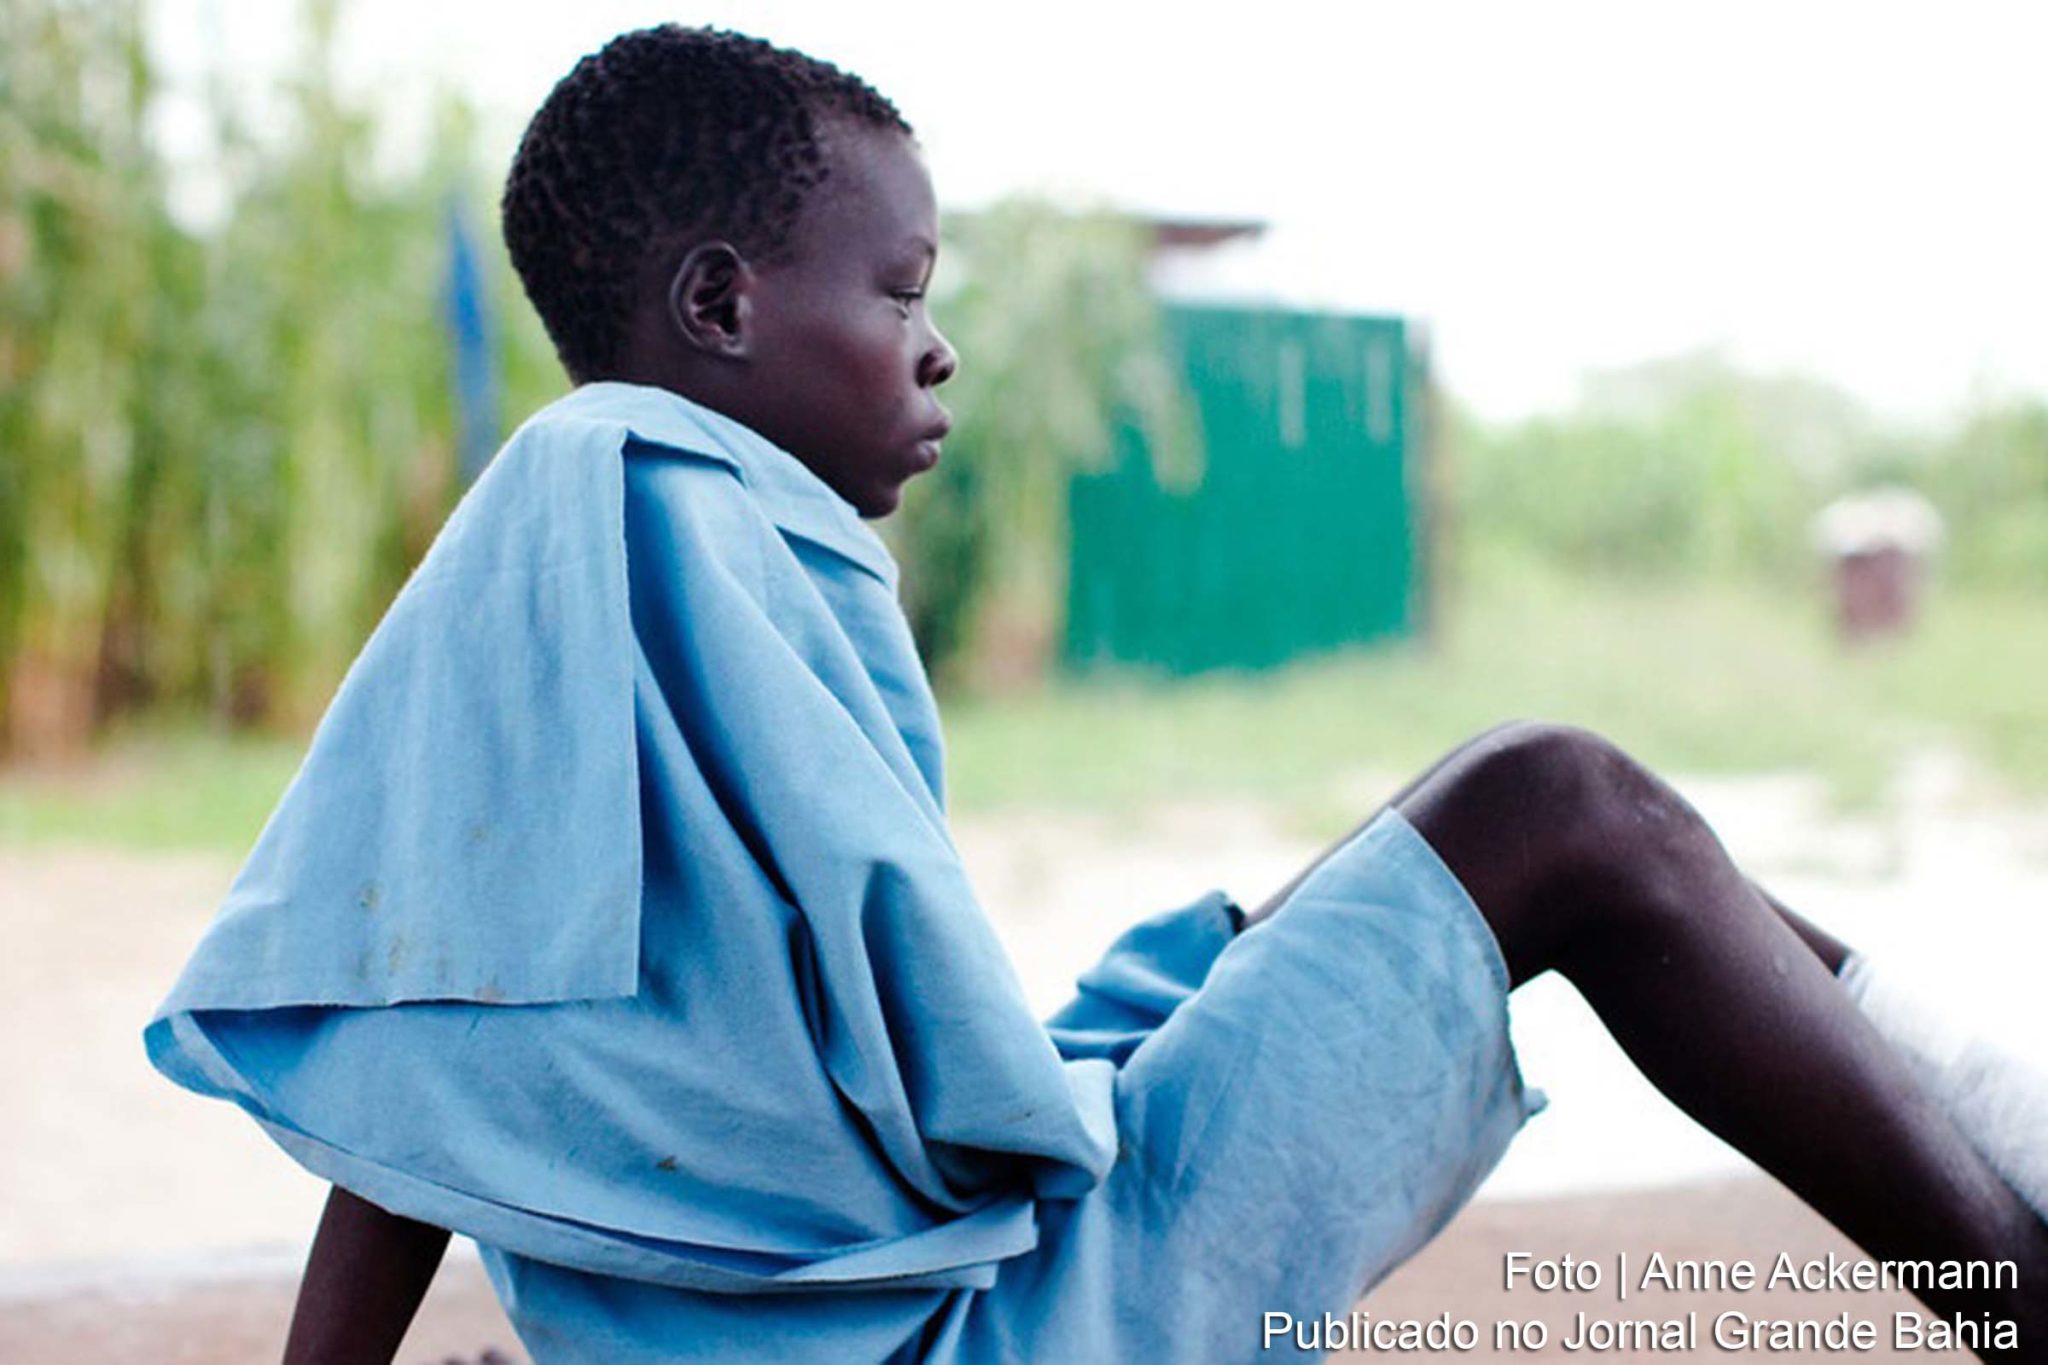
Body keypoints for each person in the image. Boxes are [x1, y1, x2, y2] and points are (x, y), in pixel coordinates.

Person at [145, 25, 2048, 1364]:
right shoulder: (693, 519)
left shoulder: (558, 543)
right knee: (1560, 806)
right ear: (721, 309)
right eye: (900, 292)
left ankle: (1986, 1120)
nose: (939, 342)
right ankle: (2018, 1260)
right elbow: (981, 1124)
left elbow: (420, 1051)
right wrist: (1130, 1076)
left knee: (1317, 903)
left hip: (908, 1306)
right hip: (1008, 1326)